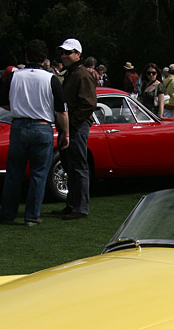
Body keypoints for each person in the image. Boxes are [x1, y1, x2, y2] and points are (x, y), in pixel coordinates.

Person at [0, 39, 68, 226]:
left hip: (18, 126)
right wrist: (65, 133)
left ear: (26, 57)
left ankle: (8, 213)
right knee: (39, 174)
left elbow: (2, 102)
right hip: (42, 127)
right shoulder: (51, 79)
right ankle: (32, 216)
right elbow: (61, 111)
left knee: (14, 173)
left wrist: (19, 107)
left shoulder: (14, 76)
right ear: (45, 59)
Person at [54, 38, 96, 220]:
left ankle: (80, 207)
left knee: (79, 167)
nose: (64, 55)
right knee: (70, 166)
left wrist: (71, 124)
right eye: (62, 52)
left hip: (77, 126)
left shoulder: (82, 75)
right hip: (70, 126)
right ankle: (72, 205)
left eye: (68, 52)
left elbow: (89, 104)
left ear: (78, 55)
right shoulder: (72, 74)